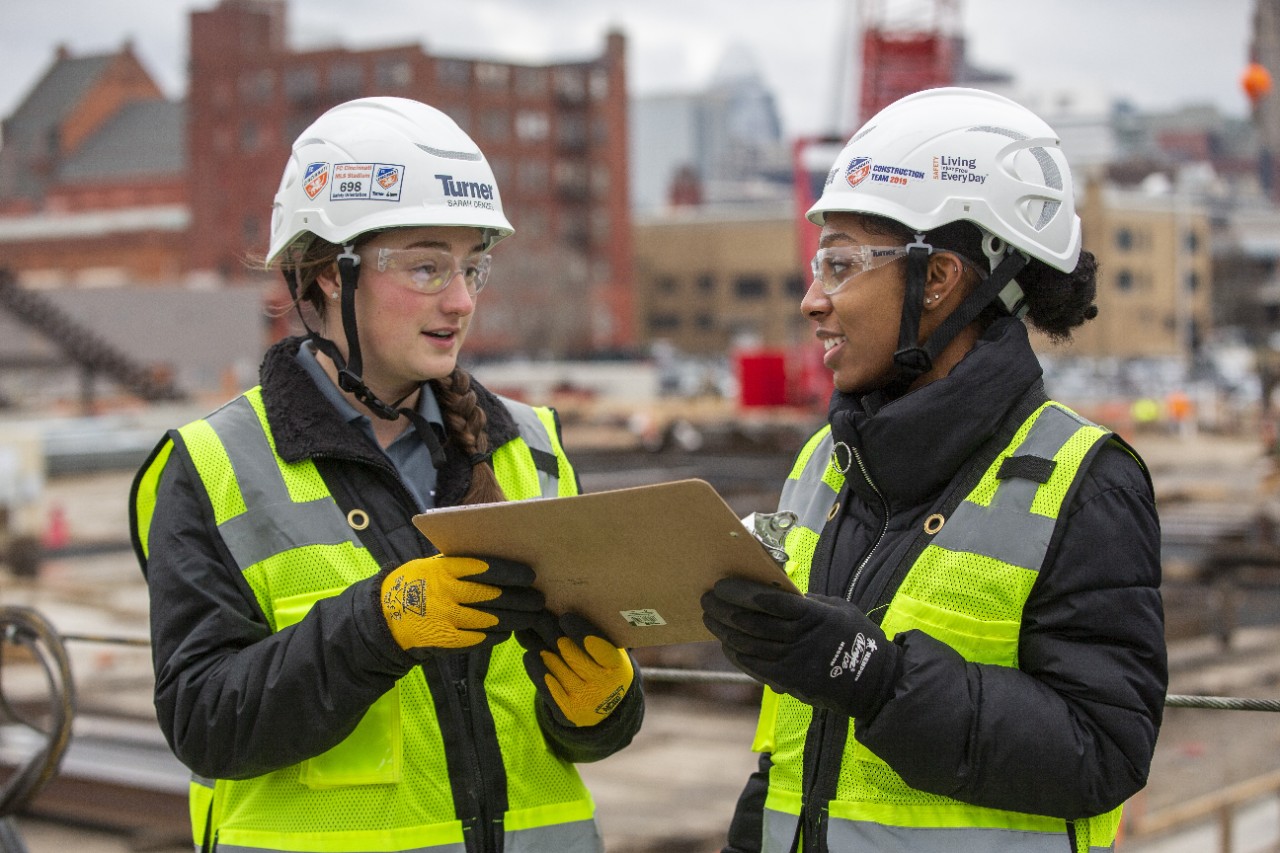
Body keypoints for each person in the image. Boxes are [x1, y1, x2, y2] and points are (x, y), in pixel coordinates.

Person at [128, 96, 643, 853]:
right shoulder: (215, 465)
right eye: (427, 265)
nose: (461, 301)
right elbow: (206, 722)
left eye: (472, 266)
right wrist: (379, 623)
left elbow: (563, 735)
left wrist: (603, 708)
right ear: (327, 273)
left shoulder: (530, 448)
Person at [701, 87, 1166, 853]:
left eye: (841, 264)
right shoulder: (827, 463)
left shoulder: (1083, 482)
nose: (813, 299)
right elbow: (794, 754)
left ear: (940, 278)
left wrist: (876, 679)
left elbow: (1103, 748)